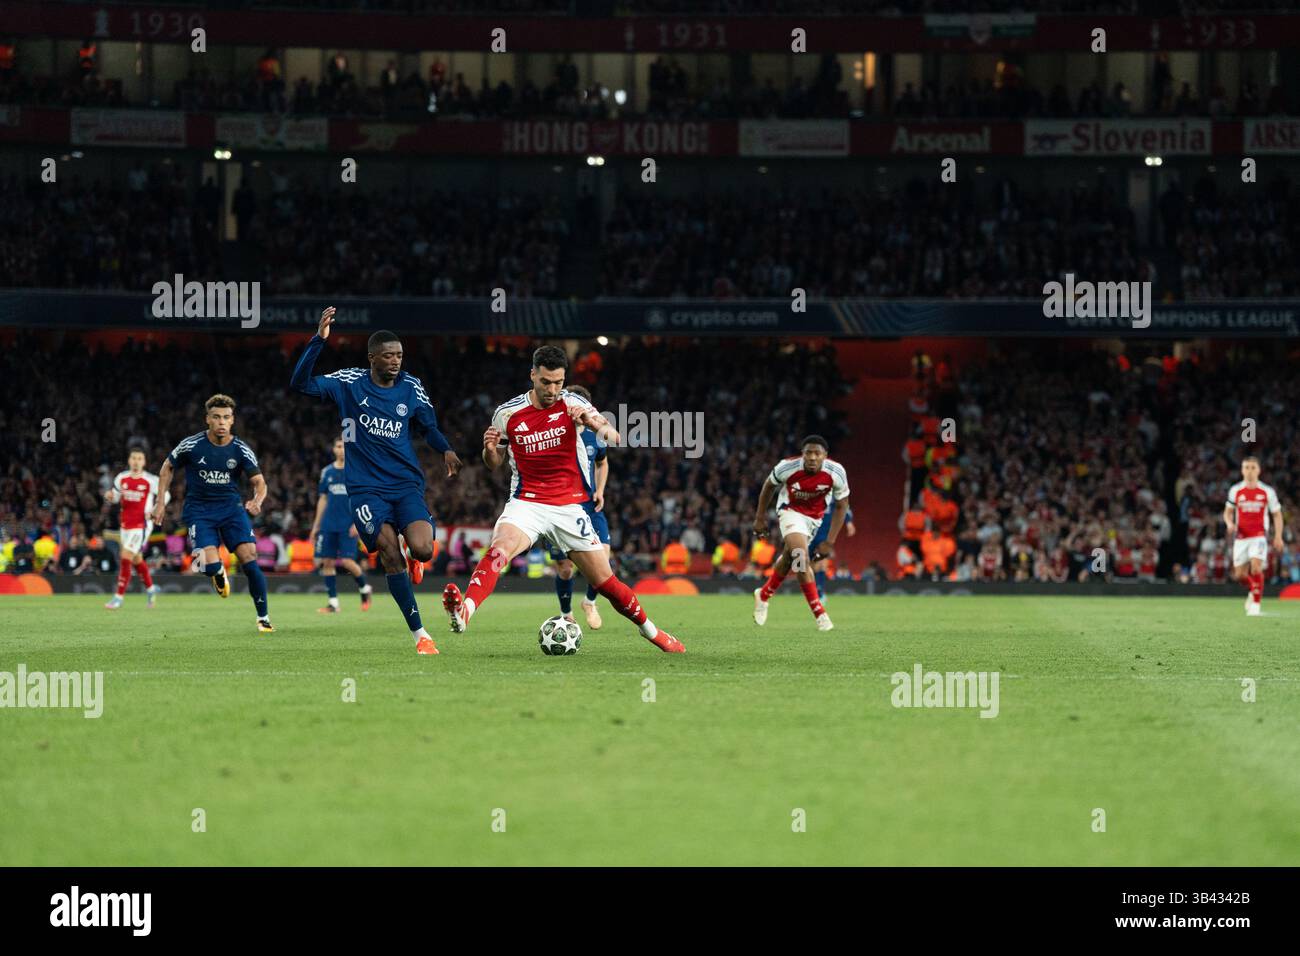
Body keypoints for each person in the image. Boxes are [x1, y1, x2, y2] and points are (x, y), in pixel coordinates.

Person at [441, 345, 683, 654]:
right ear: (533, 376)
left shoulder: (574, 402)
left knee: (606, 582)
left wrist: (590, 421)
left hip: (570, 506)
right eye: (546, 382)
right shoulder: (507, 414)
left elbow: (615, 437)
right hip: (527, 502)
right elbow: (494, 462)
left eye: (558, 382)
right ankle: (465, 612)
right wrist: (490, 450)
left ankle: (652, 632)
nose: (553, 389)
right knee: (499, 550)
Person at [291, 306, 462, 655]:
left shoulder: (412, 387)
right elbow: (301, 384)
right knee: (388, 553)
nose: (396, 361)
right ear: (372, 358)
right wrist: (318, 342)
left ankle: (416, 557)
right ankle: (420, 635)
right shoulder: (349, 383)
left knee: (424, 549)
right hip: (365, 489)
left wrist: (444, 449)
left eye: (399, 355)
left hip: (405, 484)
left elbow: (428, 426)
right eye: (388, 356)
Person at [151, 394, 274, 632]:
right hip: (199, 512)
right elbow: (167, 467)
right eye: (216, 417)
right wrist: (159, 503)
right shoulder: (191, 444)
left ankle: (263, 618)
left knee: (250, 558)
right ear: (207, 419)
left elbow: (259, 482)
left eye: (226, 417)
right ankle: (217, 572)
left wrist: (257, 500)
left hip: (231, 510)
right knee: (205, 564)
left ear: (232, 420)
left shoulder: (240, 449)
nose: (221, 422)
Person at [751, 436, 850, 631]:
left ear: (825, 456)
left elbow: (842, 505)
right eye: (808, 453)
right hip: (790, 512)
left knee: (790, 557)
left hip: (814, 519)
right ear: (802, 454)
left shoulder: (836, 472)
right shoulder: (787, 467)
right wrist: (760, 518)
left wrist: (830, 542)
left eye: (817, 453)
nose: (812, 457)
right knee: (800, 557)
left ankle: (763, 595)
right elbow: (768, 486)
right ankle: (819, 613)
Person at [543, 384, 610, 629]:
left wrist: (600, 490)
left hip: (590, 506)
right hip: (560, 507)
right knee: (565, 569)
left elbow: (602, 463)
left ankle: (590, 602)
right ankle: (566, 612)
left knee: (604, 558)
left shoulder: (594, 435)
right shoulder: (551, 433)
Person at [309, 437, 373, 613]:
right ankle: (333, 604)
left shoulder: (355, 471)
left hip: (348, 525)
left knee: (347, 562)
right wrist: (316, 526)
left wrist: (358, 522)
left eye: (344, 446)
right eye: (338, 446)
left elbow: (362, 498)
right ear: (333, 449)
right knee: (327, 562)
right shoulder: (327, 472)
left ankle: (365, 589)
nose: (341, 450)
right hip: (328, 524)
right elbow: (322, 499)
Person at [103, 446, 164, 609]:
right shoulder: (121, 478)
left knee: (126, 555)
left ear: (144, 462)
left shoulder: (151, 480)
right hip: (125, 525)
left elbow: (166, 495)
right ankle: (151, 589)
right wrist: (110, 497)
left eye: (139, 458)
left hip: (142, 525)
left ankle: (118, 597)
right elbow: (115, 497)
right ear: (129, 460)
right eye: (133, 458)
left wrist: (155, 509)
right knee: (136, 559)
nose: (136, 461)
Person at [1224, 455, 1283, 616]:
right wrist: (1230, 524)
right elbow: (1227, 513)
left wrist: (1278, 536)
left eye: (1253, 468)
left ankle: (1256, 604)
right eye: (1246, 468)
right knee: (1240, 575)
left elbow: (1277, 515)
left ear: (1259, 470)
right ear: (1242, 470)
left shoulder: (1267, 491)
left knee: (1256, 567)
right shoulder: (1235, 490)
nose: (1249, 471)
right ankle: (1253, 590)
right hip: (1241, 537)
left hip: (1258, 536)